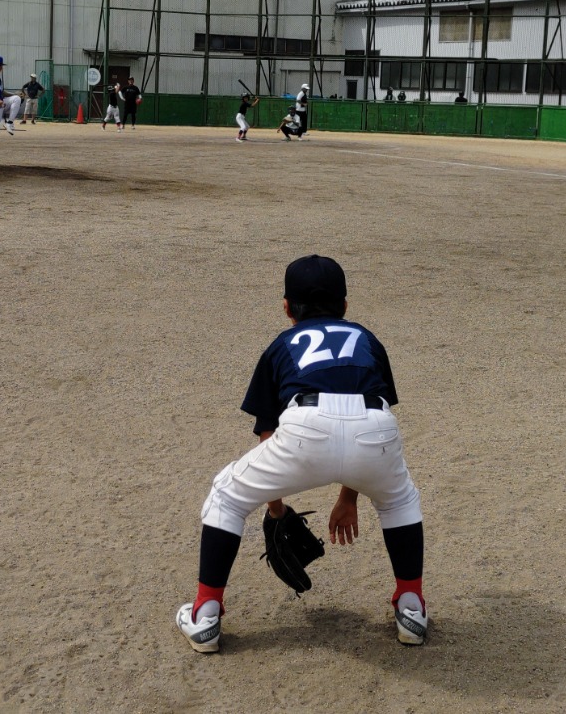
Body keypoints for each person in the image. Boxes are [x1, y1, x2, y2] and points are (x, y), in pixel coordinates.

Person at [176, 254, 427, 654]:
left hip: (304, 428)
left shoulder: (282, 343)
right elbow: (360, 416)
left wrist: (276, 510)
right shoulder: (367, 339)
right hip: (375, 430)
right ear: (345, 306)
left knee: (227, 495)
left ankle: (205, 614)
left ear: (287, 308)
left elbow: (268, 432)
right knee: (400, 502)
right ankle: (412, 608)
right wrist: (349, 496)